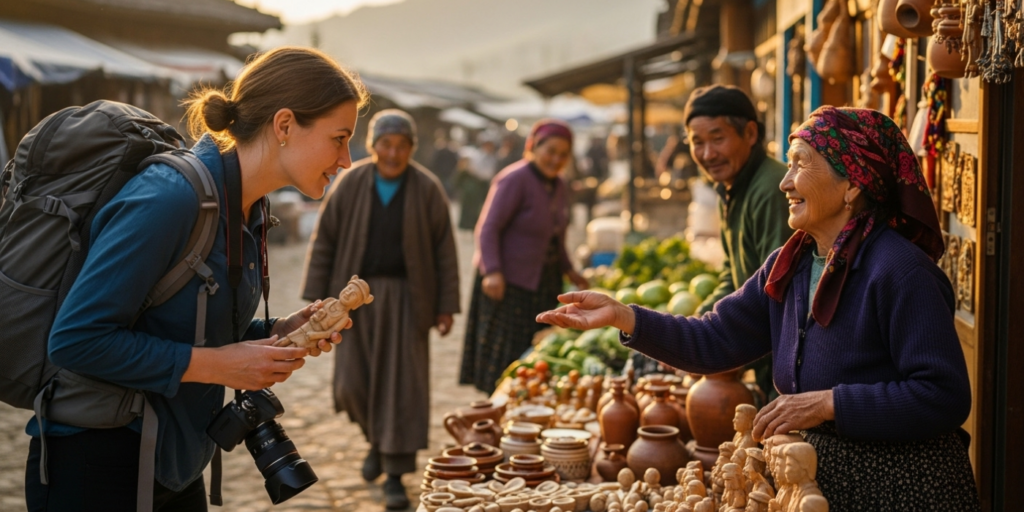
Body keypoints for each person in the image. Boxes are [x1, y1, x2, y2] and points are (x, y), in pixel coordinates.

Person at [537, 107, 981, 510]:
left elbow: (943, 396)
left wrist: (829, 403)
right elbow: (713, 340)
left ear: (852, 184)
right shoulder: (792, 263)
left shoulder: (901, 273)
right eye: (788, 166)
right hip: (819, 485)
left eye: (801, 164)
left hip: (900, 490)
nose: (786, 182)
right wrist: (622, 315)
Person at [24, 47, 367, 510]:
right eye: (339, 138)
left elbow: (180, 322)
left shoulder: (247, 205)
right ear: (284, 125)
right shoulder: (170, 199)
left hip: (175, 458)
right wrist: (220, 366)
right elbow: (74, 340)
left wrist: (275, 334)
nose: (347, 159)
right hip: (99, 462)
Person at [302, 108, 460, 510]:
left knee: (401, 389)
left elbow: (444, 250)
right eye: (386, 144)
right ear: (372, 146)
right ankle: (377, 440)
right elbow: (326, 240)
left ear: (411, 148)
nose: (393, 153)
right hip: (354, 300)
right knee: (351, 385)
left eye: (402, 145)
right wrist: (317, 296)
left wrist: (445, 306)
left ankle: (394, 472)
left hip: (409, 300)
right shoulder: (351, 182)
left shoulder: (426, 188)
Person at [458, 119, 589, 393]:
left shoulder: (560, 187)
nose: (556, 159)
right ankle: (494, 411)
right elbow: (488, 228)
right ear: (532, 146)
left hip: (543, 284)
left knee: (533, 353)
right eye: (550, 150)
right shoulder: (514, 179)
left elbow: (557, 236)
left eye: (563, 154)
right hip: (508, 284)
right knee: (505, 358)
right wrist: (492, 271)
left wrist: (571, 271)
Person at [684, 85, 793, 402]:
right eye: (697, 142)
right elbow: (732, 276)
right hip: (765, 360)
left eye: (718, 139)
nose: (707, 154)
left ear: (749, 133)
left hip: (785, 368)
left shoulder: (772, 189)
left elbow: (778, 294)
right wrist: (694, 330)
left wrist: (710, 344)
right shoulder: (729, 188)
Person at [454, 134, 499, 231]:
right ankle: (467, 225)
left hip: (484, 184)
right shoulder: (476, 155)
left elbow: (490, 172)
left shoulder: (492, 158)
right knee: (470, 206)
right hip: (474, 182)